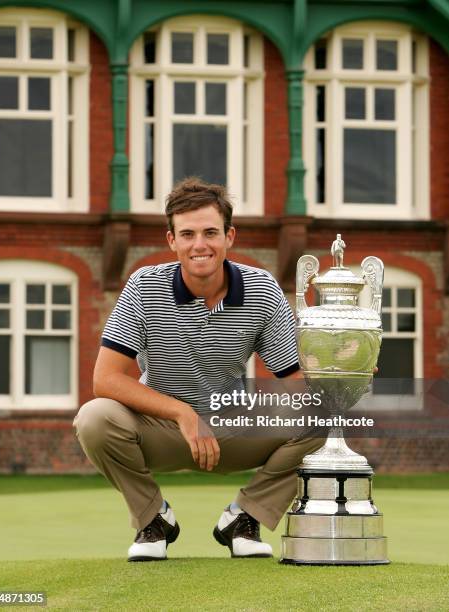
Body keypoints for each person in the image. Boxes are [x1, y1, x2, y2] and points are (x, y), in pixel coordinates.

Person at [73, 178, 324, 562]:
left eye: (210, 232)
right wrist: (182, 413)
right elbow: (105, 380)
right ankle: (153, 519)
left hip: (233, 429)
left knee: (321, 414)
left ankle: (244, 519)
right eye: (187, 234)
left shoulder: (261, 289)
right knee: (94, 418)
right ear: (172, 240)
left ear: (230, 236)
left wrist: (337, 378)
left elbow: (291, 381)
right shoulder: (143, 286)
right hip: (160, 429)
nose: (199, 245)